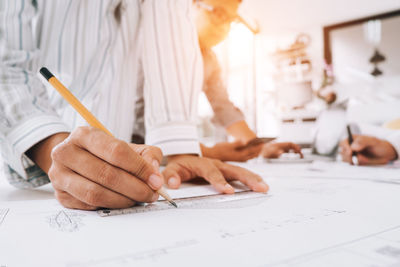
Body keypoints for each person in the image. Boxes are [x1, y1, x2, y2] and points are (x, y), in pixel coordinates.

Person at [0, 0, 268, 210]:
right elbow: (7, 68)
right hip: (41, 172)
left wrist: (180, 149)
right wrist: (51, 147)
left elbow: (169, 23)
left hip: (123, 181)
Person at [193, 0, 302, 162]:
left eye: (231, 20)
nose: (224, 28)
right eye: (219, 14)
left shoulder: (210, 60)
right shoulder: (158, 45)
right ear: (191, 6)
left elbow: (224, 109)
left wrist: (259, 147)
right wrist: (207, 153)